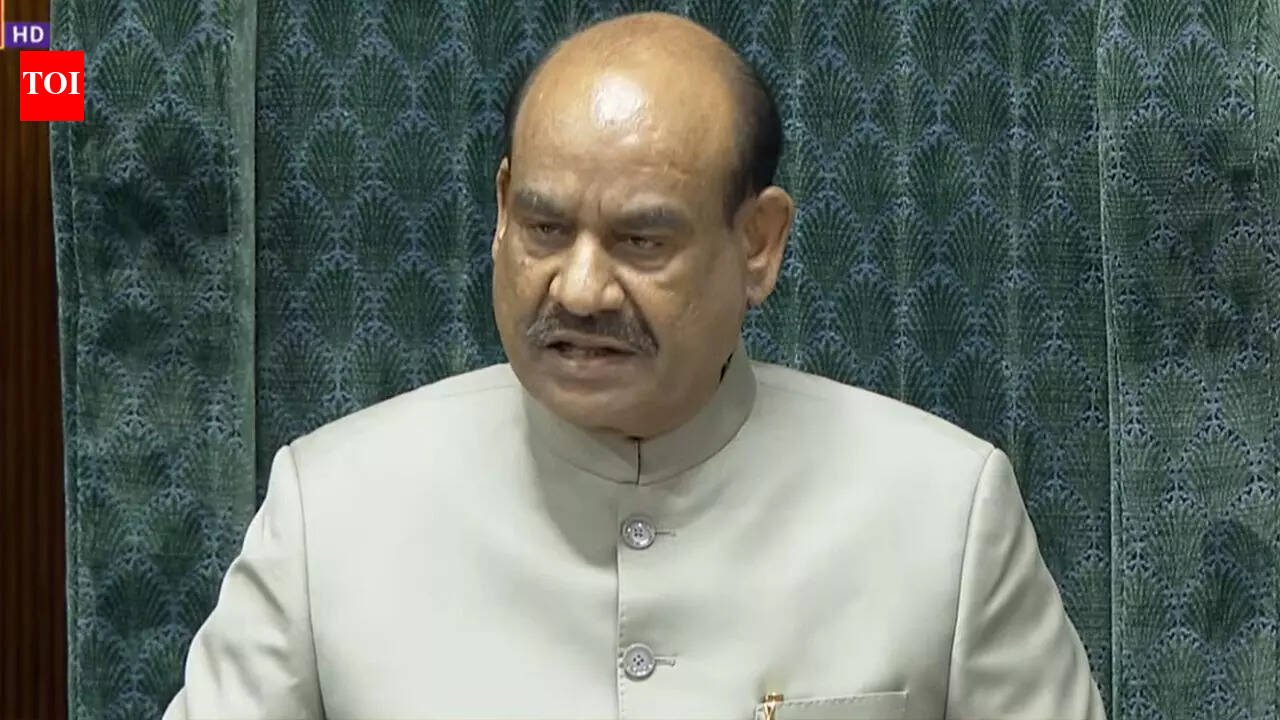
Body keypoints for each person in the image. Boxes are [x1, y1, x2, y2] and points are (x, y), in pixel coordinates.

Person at [165, 12, 1105, 720]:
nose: (579, 290)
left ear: (759, 242)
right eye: (544, 228)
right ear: (501, 210)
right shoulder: (331, 508)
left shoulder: (944, 509)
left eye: (641, 240)